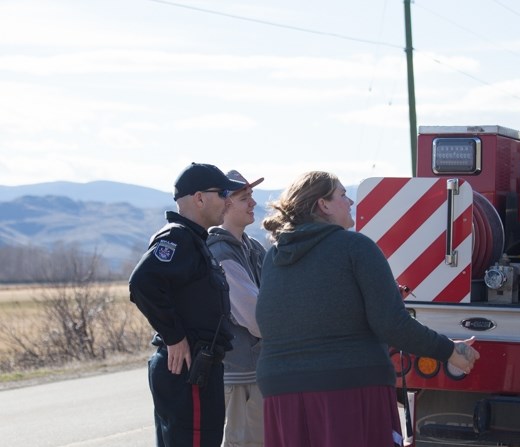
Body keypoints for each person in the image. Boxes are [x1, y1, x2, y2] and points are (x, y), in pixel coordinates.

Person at [255, 171, 480, 447]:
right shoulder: (355, 247)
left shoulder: (273, 257)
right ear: (322, 205)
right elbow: (391, 324)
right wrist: (449, 351)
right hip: (348, 389)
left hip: (280, 391)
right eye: (341, 194)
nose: (350, 201)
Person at [129, 162, 247, 447]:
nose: (228, 201)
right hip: (189, 368)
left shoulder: (194, 240)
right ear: (199, 198)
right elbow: (142, 282)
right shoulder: (178, 237)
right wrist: (174, 336)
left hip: (198, 368)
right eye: (221, 193)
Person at [207, 170, 267, 447]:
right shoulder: (220, 252)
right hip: (239, 374)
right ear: (225, 204)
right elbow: (258, 318)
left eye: (252, 196)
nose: (253, 203)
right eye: (245, 198)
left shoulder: (252, 247)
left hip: (256, 371)